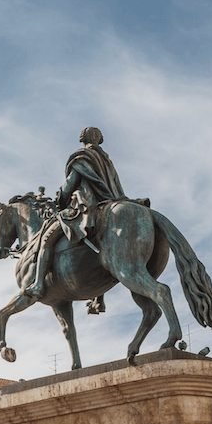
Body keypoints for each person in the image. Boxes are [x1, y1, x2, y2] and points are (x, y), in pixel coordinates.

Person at [25, 127, 136, 312]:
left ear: (82, 139)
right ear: (99, 139)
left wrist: (60, 199)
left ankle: (37, 284)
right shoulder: (106, 159)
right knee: (101, 246)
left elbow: (70, 184)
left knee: (45, 240)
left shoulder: (82, 157)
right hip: (111, 202)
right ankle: (98, 298)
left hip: (86, 205)